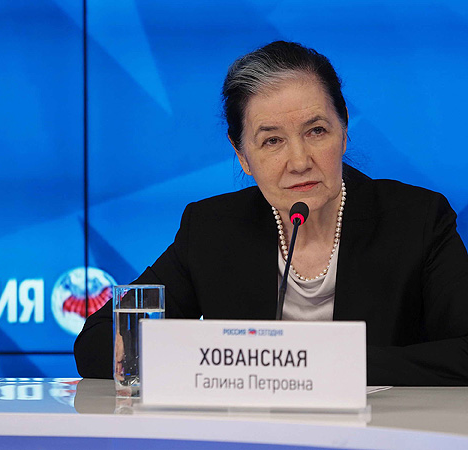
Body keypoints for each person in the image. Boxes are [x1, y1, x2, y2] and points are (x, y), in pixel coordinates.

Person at [75, 41, 468, 386]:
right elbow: (99, 340)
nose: (299, 161)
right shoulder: (212, 229)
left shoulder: (417, 219)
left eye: (316, 131)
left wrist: (323, 365)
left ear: (344, 129)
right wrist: (215, 365)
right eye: (272, 140)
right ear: (242, 155)